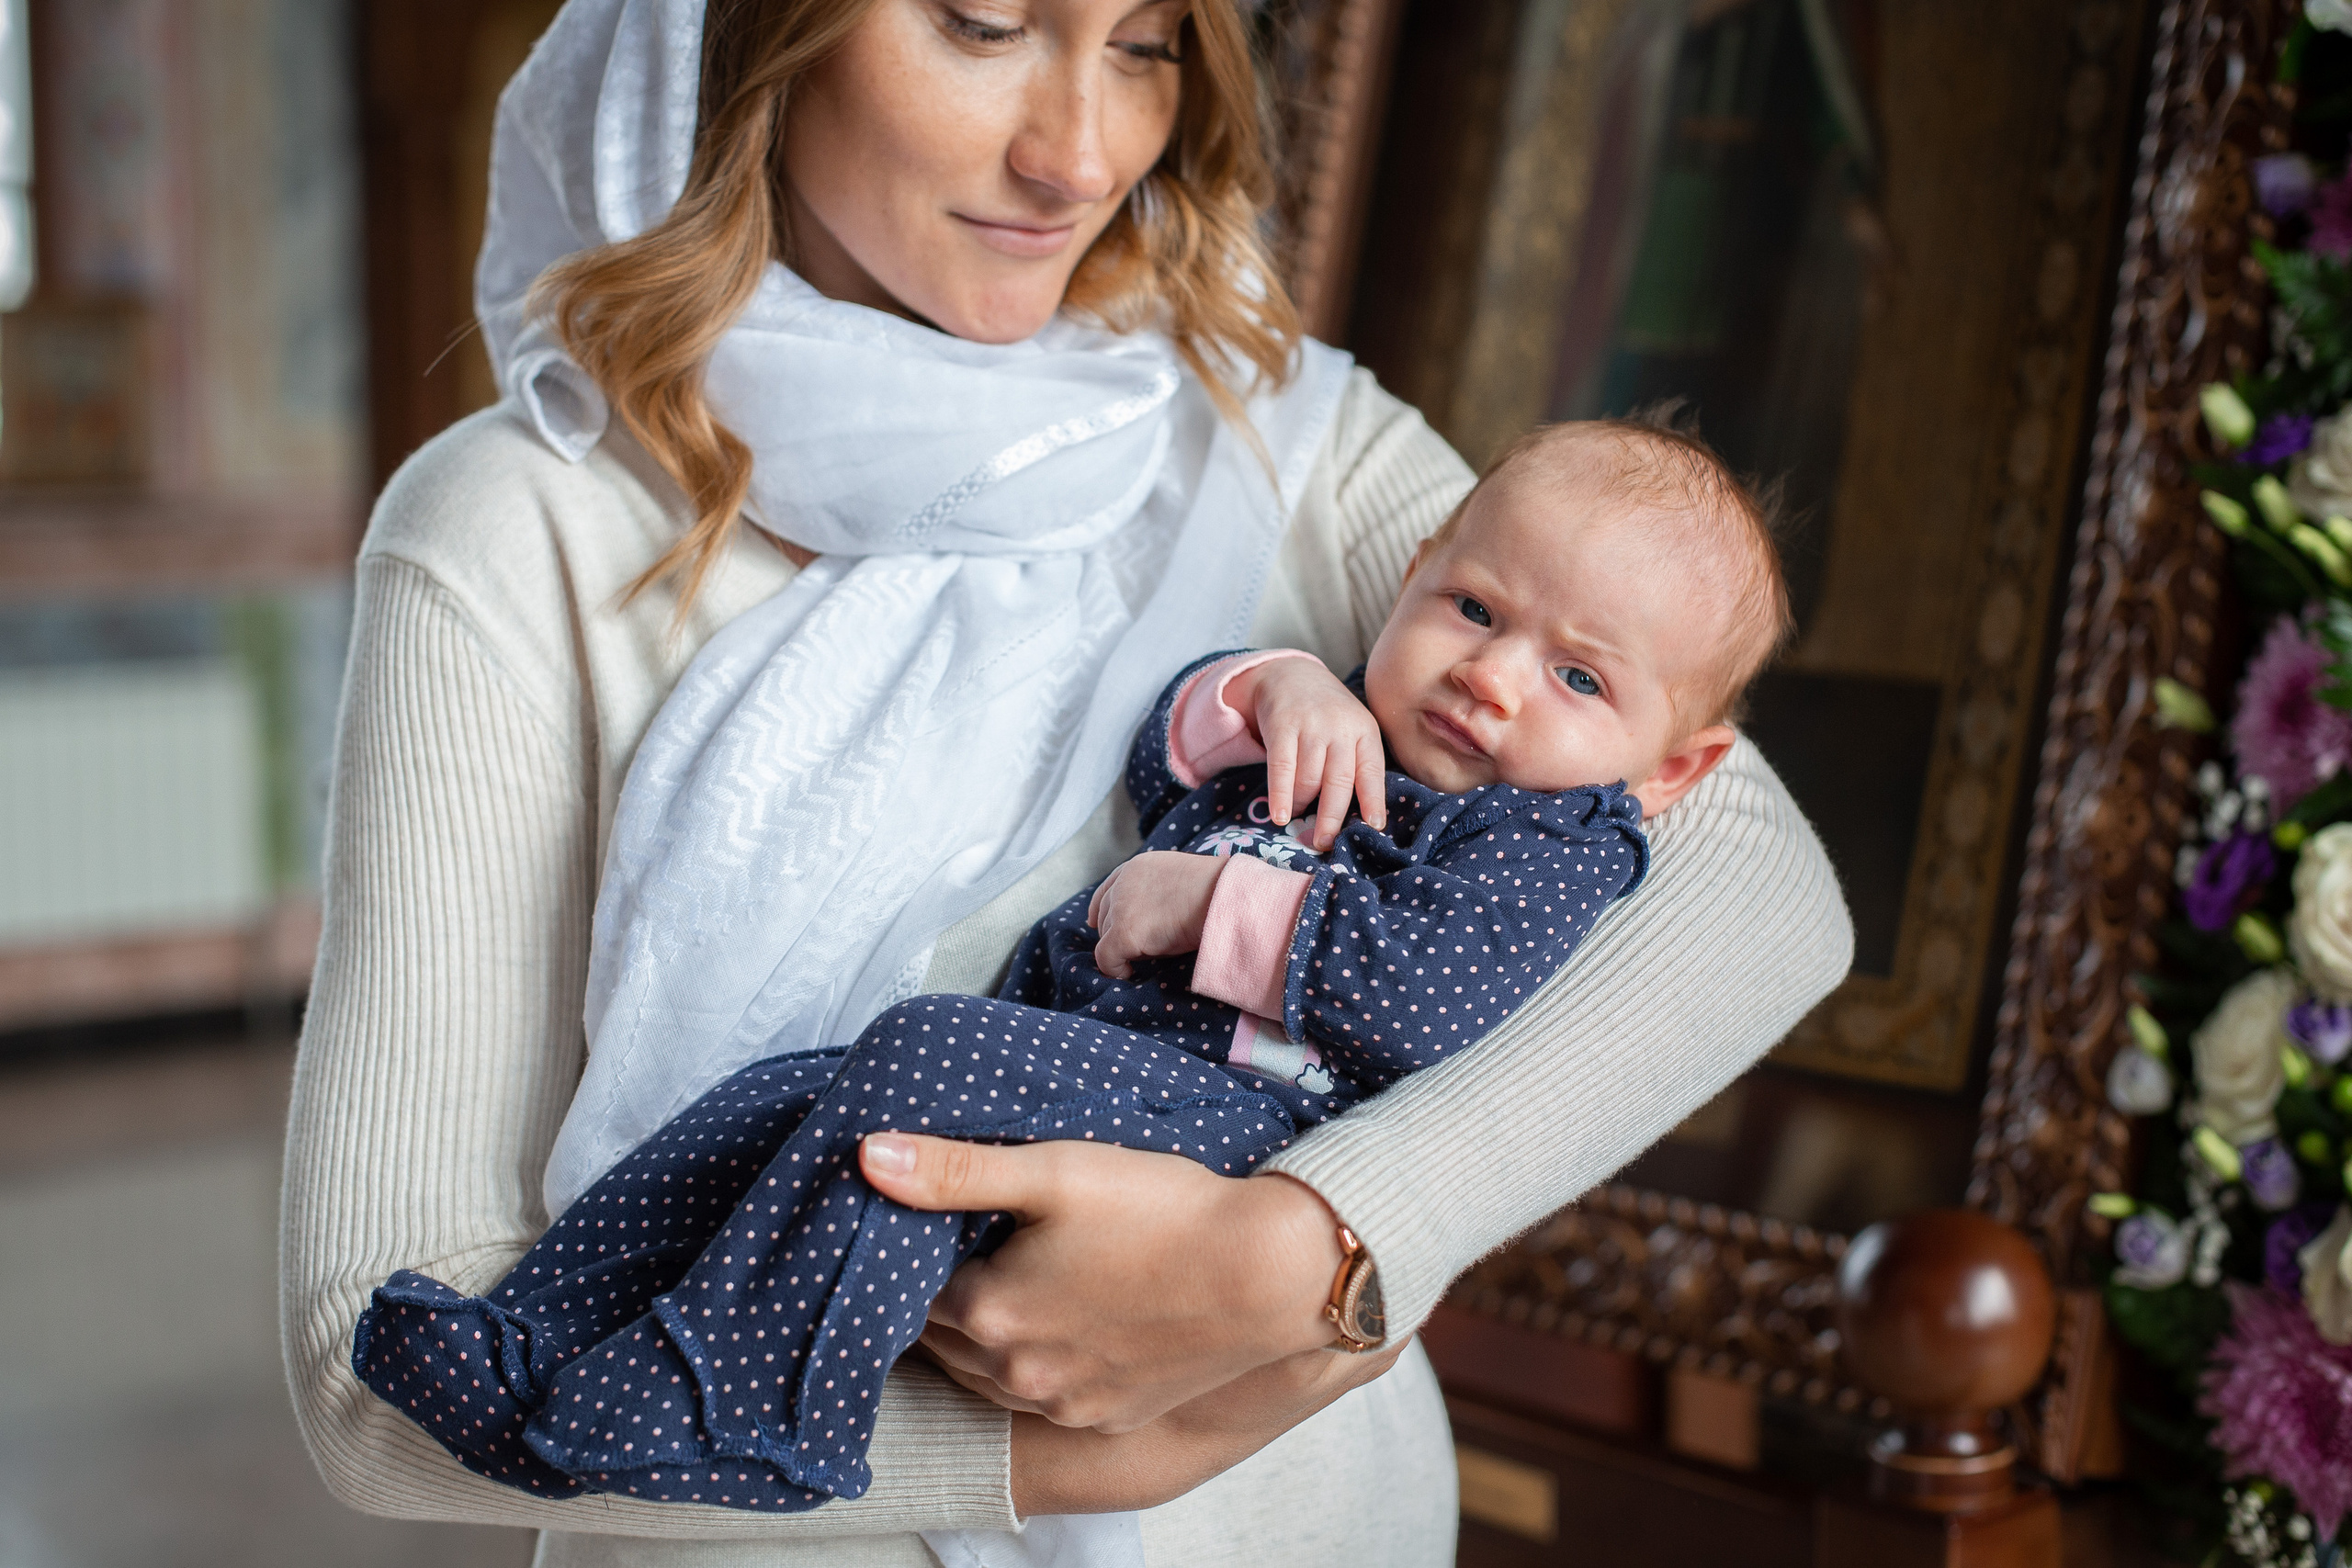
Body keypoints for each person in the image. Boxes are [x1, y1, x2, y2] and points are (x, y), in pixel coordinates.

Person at [278, 2, 1855, 1564]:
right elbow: (368, 1386)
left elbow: (1759, 890)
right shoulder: (515, 531)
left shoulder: (1267, 423)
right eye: (983, 23)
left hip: (1322, 1529)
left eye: (1150, 41)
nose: (1080, 152)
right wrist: (1072, 1445)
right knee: (799, 1110)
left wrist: (1301, 1250)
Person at [348, 413, 1782, 1514]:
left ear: (1674, 767)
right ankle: (527, 1330)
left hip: (1236, 1117)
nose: (1495, 677)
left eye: (1580, 678)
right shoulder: (1345, 714)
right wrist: (1267, 685)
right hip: (1098, 1064)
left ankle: (757, 1404)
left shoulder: (1548, 839)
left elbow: (1415, 997)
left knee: (917, 1054)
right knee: (786, 1102)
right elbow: (1170, 759)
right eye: (1473, 610)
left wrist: (1205, 905)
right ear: (1416, 575)